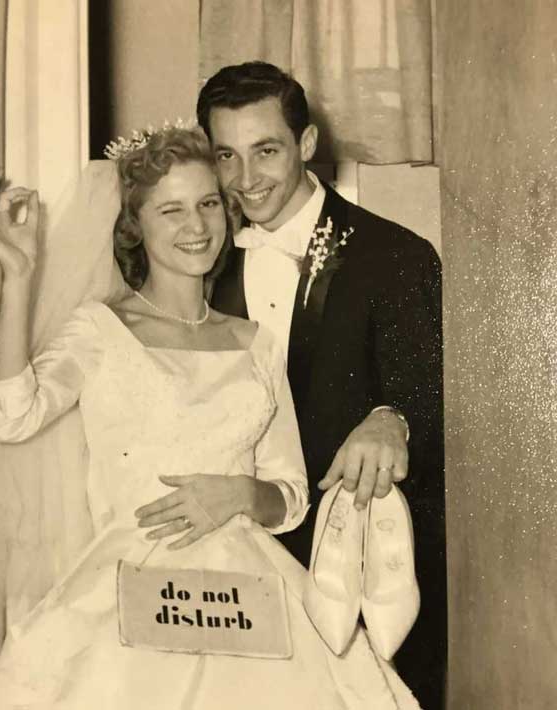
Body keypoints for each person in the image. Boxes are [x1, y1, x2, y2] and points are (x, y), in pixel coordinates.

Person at [0, 126, 418, 708]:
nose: (196, 225)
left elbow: (291, 496)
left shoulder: (258, 343)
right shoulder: (100, 329)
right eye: (171, 209)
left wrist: (240, 495)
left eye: (207, 204)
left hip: (253, 594)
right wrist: (19, 276)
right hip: (129, 590)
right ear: (135, 225)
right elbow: (11, 416)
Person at [199, 61, 444, 707]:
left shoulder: (396, 254)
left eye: (266, 151)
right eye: (226, 155)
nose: (245, 179)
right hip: (243, 562)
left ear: (307, 143)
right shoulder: (203, 262)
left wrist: (390, 417)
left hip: (357, 572)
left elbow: (432, 399)